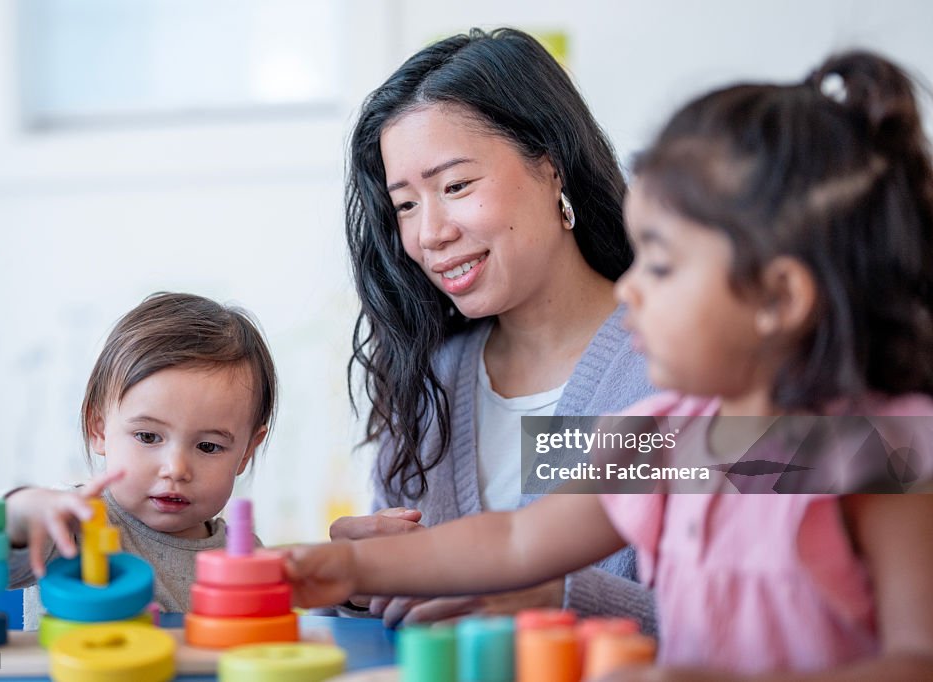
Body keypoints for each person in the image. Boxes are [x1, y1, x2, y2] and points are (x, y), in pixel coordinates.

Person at [287, 50, 933, 678]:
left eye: (662, 264)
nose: (632, 290)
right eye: (405, 204)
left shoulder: (872, 451)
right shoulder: (660, 438)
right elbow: (515, 543)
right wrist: (352, 570)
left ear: (778, 295)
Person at [331, 27, 655, 628]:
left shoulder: (690, 363)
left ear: (552, 168)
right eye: (405, 204)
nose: (429, 234)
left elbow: (780, 627)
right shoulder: (429, 381)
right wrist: (361, 583)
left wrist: (556, 600)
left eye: (455, 186)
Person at [4, 292, 277, 630]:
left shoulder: (245, 554)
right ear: (99, 428)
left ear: (247, 451)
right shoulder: (69, 523)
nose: (176, 469)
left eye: (208, 446)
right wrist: (21, 514)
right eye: (148, 437)